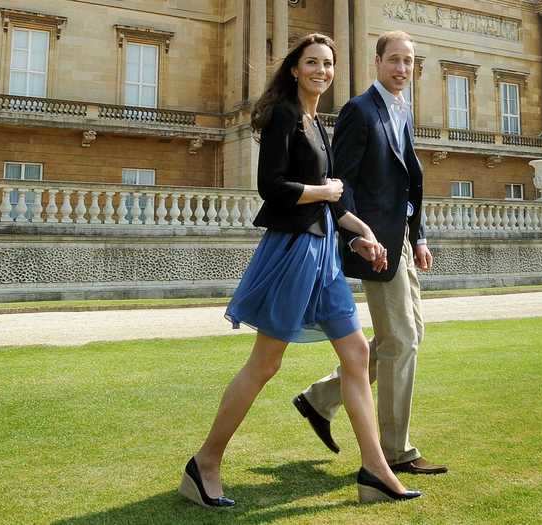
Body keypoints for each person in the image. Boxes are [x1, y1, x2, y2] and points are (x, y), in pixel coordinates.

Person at [179, 33, 421, 508]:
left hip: (326, 250)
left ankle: (375, 470)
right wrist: (326, 194)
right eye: (312, 63)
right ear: (295, 69)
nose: (322, 71)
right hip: (293, 252)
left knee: (355, 355)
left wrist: (361, 231)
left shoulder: (317, 122)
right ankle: (205, 462)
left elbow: (330, 200)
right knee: (265, 363)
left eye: (328, 64)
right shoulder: (285, 115)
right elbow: (272, 187)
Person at [293, 31, 448, 476]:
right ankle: (396, 451)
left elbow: (408, 184)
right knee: (402, 340)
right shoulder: (361, 110)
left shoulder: (403, 111)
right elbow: (344, 182)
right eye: (394, 60)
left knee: (406, 334)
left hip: (400, 238)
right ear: (377, 62)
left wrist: (418, 237)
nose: (402, 69)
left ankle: (319, 399)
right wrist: (358, 235)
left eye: (409, 62)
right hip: (375, 243)